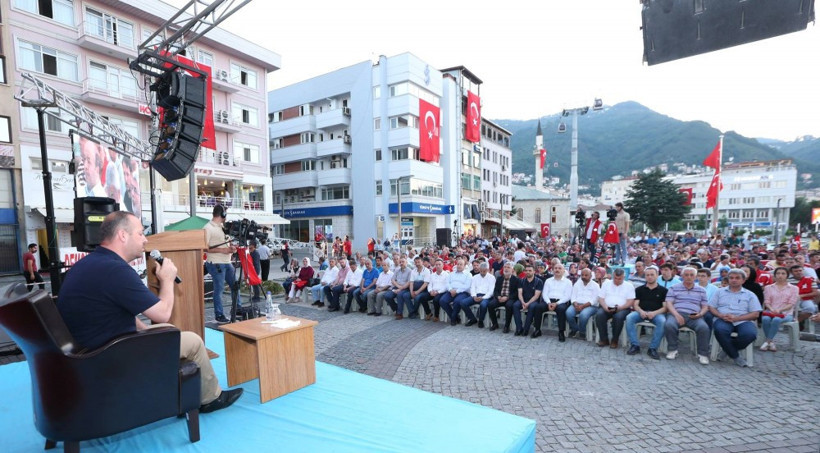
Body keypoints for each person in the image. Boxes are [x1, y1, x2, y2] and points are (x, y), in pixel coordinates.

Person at [57, 211, 243, 413]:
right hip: (109, 355)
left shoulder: (91, 264)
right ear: (122, 235)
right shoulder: (116, 271)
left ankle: (177, 392)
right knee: (194, 341)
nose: (145, 239)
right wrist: (167, 280)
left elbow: (115, 310)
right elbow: (162, 313)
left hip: (92, 350)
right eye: (140, 233)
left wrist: (147, 329)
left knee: (169, 330)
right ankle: (210, 399)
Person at [710, 269, 763, 367]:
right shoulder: (719, 292)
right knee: (720, 330)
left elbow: (755, 314)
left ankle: (727, 350)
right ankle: (736, 356)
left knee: (750, 334)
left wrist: (736, 318)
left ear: (743, 280)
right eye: (731, 278)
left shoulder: (750, 295)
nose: (734, 280)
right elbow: (711, 307)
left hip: (743, 320)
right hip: (723, 318)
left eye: (737, 278)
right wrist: (720, 315)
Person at [663, 267, 711, 364]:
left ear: (695, 277)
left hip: (694, 315)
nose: (689, 277)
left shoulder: (701, 290)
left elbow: (705, 306)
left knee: (704, 328)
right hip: (676, 313)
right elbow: (669, 303)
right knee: (669, 325)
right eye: (686, 275)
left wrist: (700, 314)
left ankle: (703, 354)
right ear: (682, 276)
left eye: (691, 275)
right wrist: (676, 315)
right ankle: (672, 350)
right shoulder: (674, 288)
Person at [624, 266, 667, 359]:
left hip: (657, 313)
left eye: (652, 275)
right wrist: (641, 311)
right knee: (629, 318)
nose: (650, 277)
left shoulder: (663, 290)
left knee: (662, 321)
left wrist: (654, 313)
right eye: (647, 275)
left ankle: (653, 348)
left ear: (657, 276)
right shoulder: (639, 289)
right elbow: (635, 304)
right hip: (641, 312)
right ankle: (635, 345)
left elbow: (665, 308)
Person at [204, 205, 237, 323]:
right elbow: (204, 248)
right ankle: (219, 315)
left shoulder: (222, 227)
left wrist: (231, 248)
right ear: (222, 214)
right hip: (216, 263)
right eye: (225, 214)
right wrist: (223, 250)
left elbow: (225, 243)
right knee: (219, 289)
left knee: (235, 287)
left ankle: (237, 310)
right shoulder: (207, 228)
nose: (226, 216)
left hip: (227, 262)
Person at [760, 267, 798, 351]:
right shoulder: (768, 288)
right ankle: (771, 343)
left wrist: (780, 310)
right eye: (778, 273)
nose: (780, 275)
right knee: (765, 319)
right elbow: (767, 301)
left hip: (786, 313)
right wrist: (771, 309)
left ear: (787, 276)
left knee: (776, 320)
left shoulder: (794, 288)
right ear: (774, 275)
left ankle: (768, 341)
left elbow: (791, 303)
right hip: (771, 311)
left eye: (783, 273)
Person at [595, 268, 635, 348]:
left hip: (622, 308)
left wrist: (621, 307)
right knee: (599, 315)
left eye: (619, 279)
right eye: (615, 278)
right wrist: (605, 306)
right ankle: (604, 339)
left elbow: (630, 301)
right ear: (613, 276)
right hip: (607, 307)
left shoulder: (629, 286)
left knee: (618, 317)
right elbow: (601, 298)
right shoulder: (606, 284)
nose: (617, 280)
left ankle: (615, 339)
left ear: (624, 277)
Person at [539, 263, 573, 341]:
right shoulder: (548, 280)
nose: (557, 270)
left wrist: (556, 303)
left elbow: (568, 296)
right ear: (553, 270)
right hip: (548, 300)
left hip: (561, 302)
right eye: (555, 268)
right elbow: (545, 293)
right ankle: (537, 329)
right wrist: (548, 302)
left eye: (559, 268)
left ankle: (561, 332)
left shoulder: (568, 282)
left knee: (561, 310)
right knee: (538, 307)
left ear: (564, 271)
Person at [566, 267, 600, 340]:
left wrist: (583, 306)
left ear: (590, 276)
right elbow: (573, 296)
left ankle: (582, 331)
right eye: (582, 275)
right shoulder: (577, 284)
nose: (584, 277)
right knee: (568, 313)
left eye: (586, 275)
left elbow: (594, 300)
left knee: (583, 315)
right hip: (577, 304)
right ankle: (575, 329)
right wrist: (575, 304)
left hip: (591, 306)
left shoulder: (595, 285)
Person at [486, 262, 520, 331]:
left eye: (508, 267)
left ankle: (507, 326)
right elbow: (495, 290)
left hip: (510, 298)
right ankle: (495, 323)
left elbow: (516, 293)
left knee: (509, 305)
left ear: (512, 270)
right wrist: (498, 296)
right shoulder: (499, 278)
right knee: (490, 305)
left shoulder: (516, 279)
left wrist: (507, 297)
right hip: (500, 298)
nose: (506, 269)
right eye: (505, 267)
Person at [460, 262, 495, 328]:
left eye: (484, 271)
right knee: (463, 303)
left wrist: (483, 297)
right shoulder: (475, 277)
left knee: (483, 305)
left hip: (486, 296)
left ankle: (481, 320)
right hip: (476, 295)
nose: (482, 272)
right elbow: (472, 288)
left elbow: (491, 291)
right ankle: (472, 319)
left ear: (487, 270)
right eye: (481, 271)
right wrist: (474, 296)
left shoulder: (492, 278)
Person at [439, 259, 473, 325]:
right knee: (442, 301)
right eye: (458, 264)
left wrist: (456, 291)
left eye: (461, 264)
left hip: (463, 292)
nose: (459, 266)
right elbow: (447, 283)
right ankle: (456, 317)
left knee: (457, 301)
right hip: (451, 291)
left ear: (464, 266)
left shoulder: (468, 274)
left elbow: (467, 286)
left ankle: (453, 319)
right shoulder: (451, 274)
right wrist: (451, 290)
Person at [513, 264, 543, 336]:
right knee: (515, 305)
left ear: (534, 272)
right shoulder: (521, 281)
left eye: (530, 271)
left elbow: (536, 296)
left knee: (532, 307)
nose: (528, 272)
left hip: (534, 301)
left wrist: (527, 303)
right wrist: (523, 302)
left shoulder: (539, 281)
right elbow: (520, 293)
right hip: (523, 299)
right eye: (526, 271)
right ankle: (519, 328)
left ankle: (526, 329)